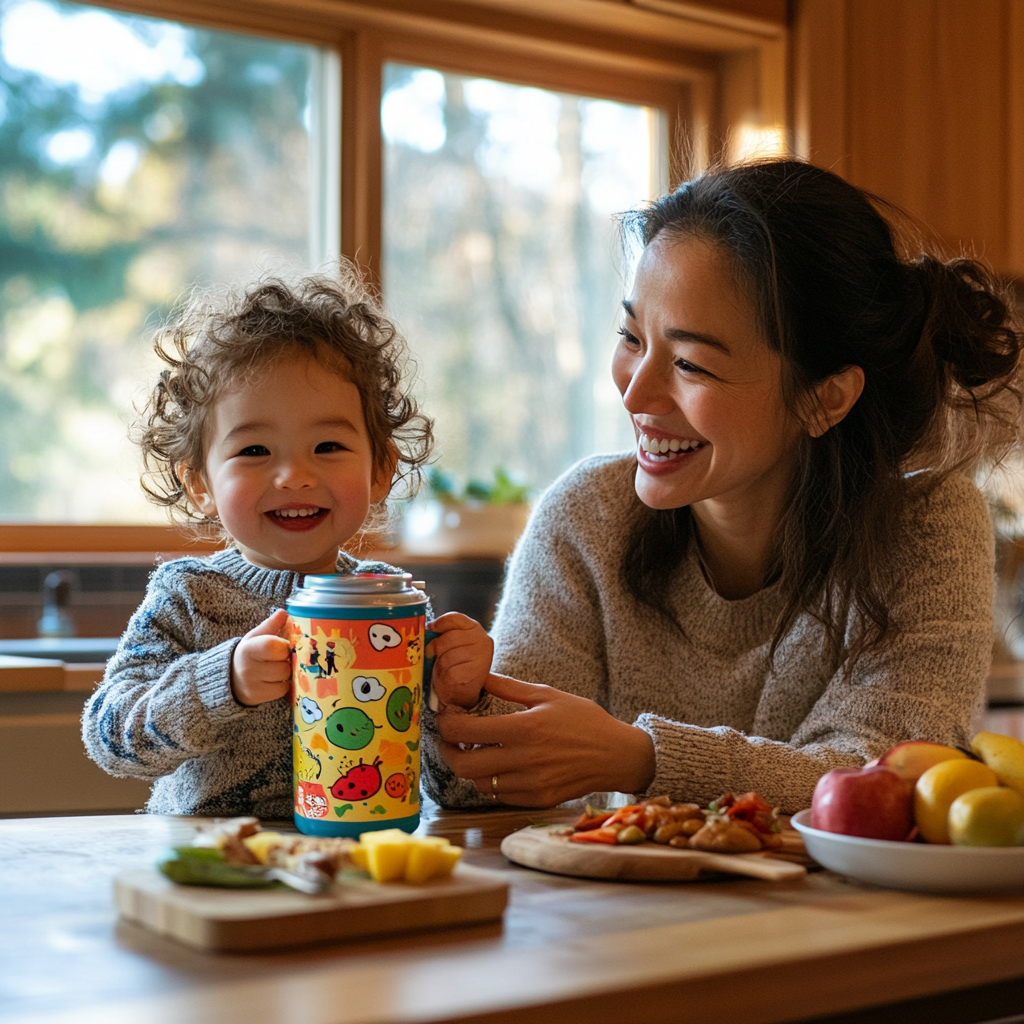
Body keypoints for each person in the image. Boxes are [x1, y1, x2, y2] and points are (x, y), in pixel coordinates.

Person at [421, 159, 1024, 814]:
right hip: (609, 913)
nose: (635, 389)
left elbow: (886, 782)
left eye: (689, 363)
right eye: (630, 337)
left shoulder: (928, 525)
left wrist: (642, 760)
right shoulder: (587, 517)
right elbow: (486, 781)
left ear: (825, 397)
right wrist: (453, 703)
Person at [82, 267, 492, 816]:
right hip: (217, 873)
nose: (294, 476)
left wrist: (463, 697)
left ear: (380, 471)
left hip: (356, 871)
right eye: (254, 452)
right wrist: (221, 680)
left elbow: (463, 791)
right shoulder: (187, 596)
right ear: (200, 483)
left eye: (327, 445)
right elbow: (112, 740)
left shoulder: (390, 603)